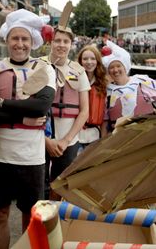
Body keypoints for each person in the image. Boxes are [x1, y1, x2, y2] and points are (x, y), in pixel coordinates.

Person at [0, 9, 56, 249]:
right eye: (15, 38)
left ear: (32, 42)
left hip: (32, 158)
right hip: (0, 156)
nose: (20, 44)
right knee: (1, 214)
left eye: (25, 39)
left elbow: (40, 106)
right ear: (6, 40)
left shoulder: (45, 69)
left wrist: (2, 104)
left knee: (30, 217)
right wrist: (22, 117)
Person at [42, 26, 90, 200]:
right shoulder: (38, 65)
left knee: (60, 185)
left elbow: (85, 111)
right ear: (50, 42)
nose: (61, 45)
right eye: (57, 41)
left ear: (71, 44)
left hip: (69, 139)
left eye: (66, 41)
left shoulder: (79, 71)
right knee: (40, 185)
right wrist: (47, 141)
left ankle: (54, 219)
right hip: (41, 137)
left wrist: (65, 140)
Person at [76, 45, 108, 148]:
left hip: (95, 137)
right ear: (80, 61)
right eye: (85, 59)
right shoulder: (73, 81)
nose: (89, 62)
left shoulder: (103, 84)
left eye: (93, 59)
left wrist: (103, 140)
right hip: (75, 136)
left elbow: (105, 115)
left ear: (97, 61)